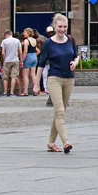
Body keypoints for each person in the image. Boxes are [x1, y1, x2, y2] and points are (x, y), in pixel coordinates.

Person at [33, 13, 78, 154]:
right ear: (54, 26)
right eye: (60, 26)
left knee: (61, 112)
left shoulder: (71, 40)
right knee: (59, 111)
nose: (62, 29)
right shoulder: (48, 43)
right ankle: (66, 142)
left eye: (65, 26)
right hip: (54, 79)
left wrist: (74, 63)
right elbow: (41, 64)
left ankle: (51, 143)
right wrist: (36, 83)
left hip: (69, 79)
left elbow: (76, 56)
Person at [1, 30, 22, 97]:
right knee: (13, 77)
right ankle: (11, 93)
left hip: (7, 60)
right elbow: (20, 52)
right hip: (15, 60)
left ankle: (4, 92)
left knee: (5, 77)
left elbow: (3, 53)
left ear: (7, 34)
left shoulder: (4, 41)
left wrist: (4, 60)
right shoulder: (17, 41)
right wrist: (20, 60)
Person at [21, 27, 39, 96]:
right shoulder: (35, 40)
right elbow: (37, 50)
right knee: (33, 74)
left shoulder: (26, 41)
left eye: (24, 32)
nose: (23, 34)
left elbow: (25, 51)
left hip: (28, 57)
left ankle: (25, 91)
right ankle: (35, 90)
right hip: (34, 56)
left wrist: (22, 60)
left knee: (25, 75)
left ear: (28, 33)